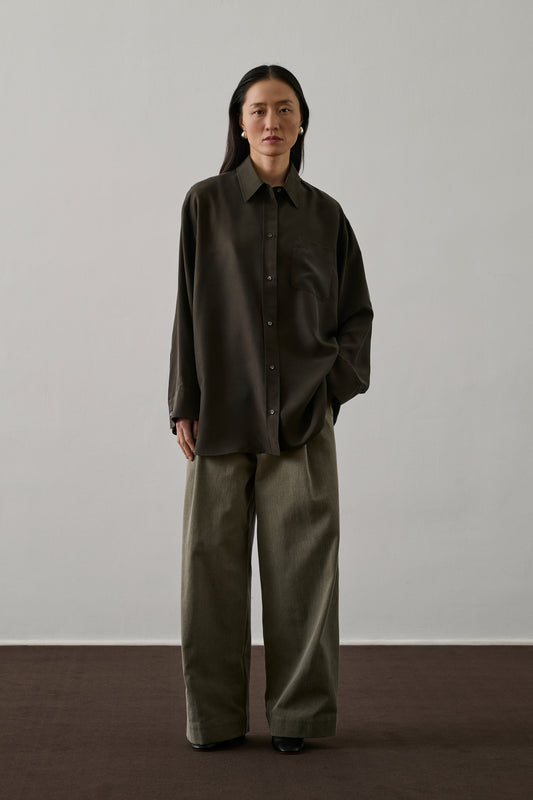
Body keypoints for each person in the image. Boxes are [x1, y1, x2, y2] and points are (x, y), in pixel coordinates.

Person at [168, 64, 373, 754]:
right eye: (257, 110)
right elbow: (185, 308)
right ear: (239, 121)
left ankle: (297, 717)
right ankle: (215, 719)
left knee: (304, 577)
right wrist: (183, 401)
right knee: (210, 574)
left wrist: (330, 389)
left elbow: (356, 316)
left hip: (302, 423)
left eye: (284, 109)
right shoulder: (204, 205)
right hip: (220, 418)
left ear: (301, 121)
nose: (271, 122)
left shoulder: (326, 215)